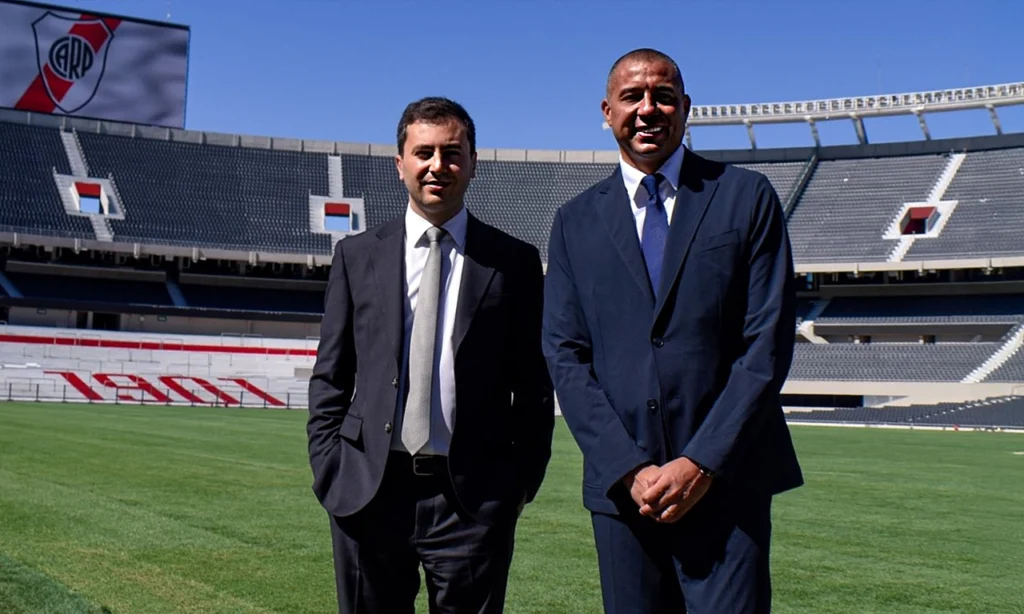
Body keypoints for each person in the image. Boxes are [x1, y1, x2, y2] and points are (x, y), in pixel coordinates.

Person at [542, 48, 803, 613]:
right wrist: (629, 468)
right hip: (624, 497)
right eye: (632, 97)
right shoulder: (574, 221)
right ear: (607, 111)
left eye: (662, 96)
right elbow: (565, 356)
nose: (647, 109)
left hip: (730, 486)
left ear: (685, 109)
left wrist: (700, 462)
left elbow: (767, 344)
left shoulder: (746, 196)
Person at [307, 96, 554, 614]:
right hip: (368, 491)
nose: (437, 166)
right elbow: (331, 376)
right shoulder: (356, 255)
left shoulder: (514, 263)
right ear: (400, 164)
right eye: (423, 153)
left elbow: (532, 385)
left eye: (452, 152)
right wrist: (330, 466)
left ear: (472, 161)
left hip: (472, 498)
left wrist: (518, 484)